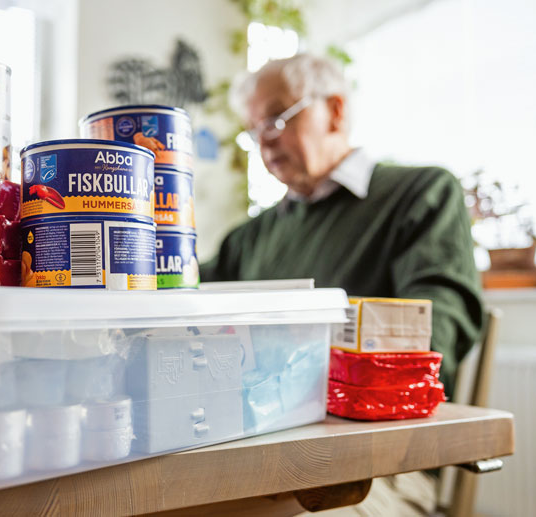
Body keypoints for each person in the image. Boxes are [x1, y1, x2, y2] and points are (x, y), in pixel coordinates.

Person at [200, 54, 484, 515]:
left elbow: (439, 331)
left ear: (334, 110)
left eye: (276, 119)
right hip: (253, 453)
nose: (263, 142)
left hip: (378, 468)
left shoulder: (421, 193)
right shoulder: (249, 237)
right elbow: (183, 306)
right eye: (254, 130)